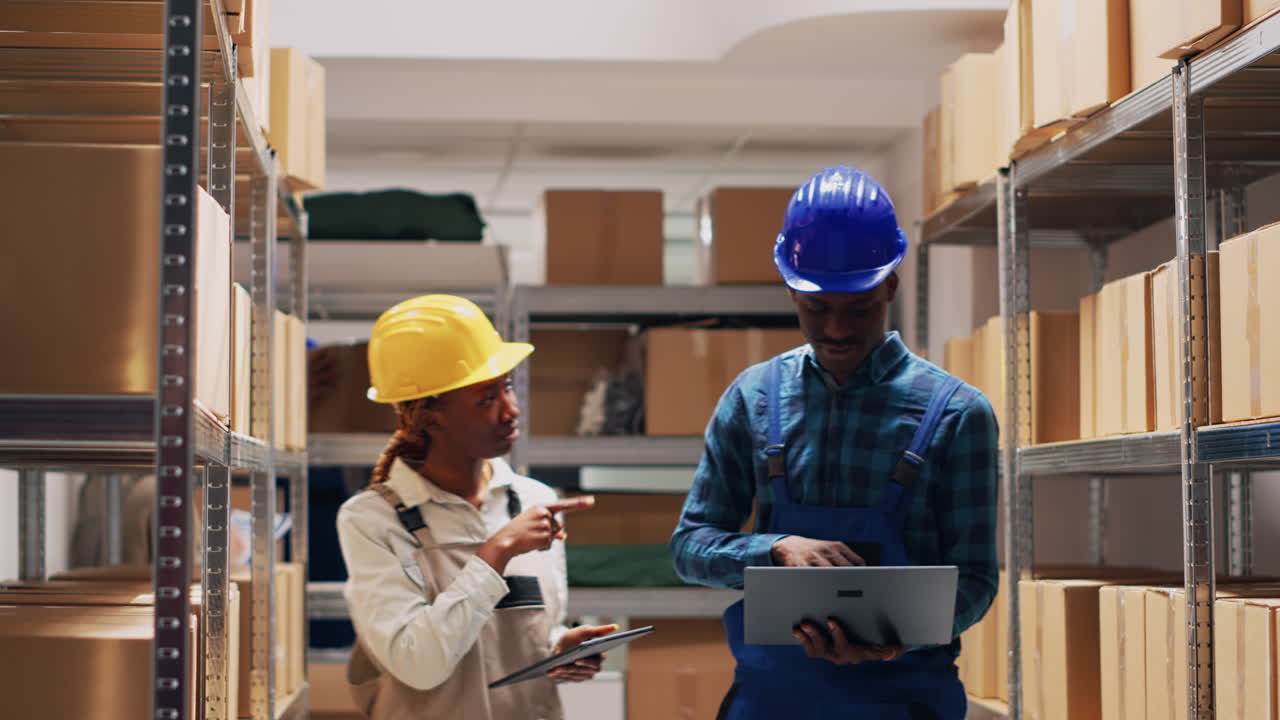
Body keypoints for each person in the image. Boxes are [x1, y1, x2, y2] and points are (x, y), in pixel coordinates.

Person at [671, 166, 999, 719]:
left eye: (859, 307)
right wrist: (774, 550)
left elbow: (976, 578)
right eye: (817, 308)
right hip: (774, 701)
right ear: (792, 287)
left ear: (892, 283)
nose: (838, 330)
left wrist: (902, 637)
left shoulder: (959, 414)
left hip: (901, 698)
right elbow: (690, 547)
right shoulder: (752, 398)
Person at [337, 294, 614, 720]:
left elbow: (510, 637)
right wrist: (496, 551)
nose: (512, 409)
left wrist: (559, 649)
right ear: (430, 416)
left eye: (506, 387)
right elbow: (419, 664)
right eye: (486, 398)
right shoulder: (372, 520)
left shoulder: (533, 501)